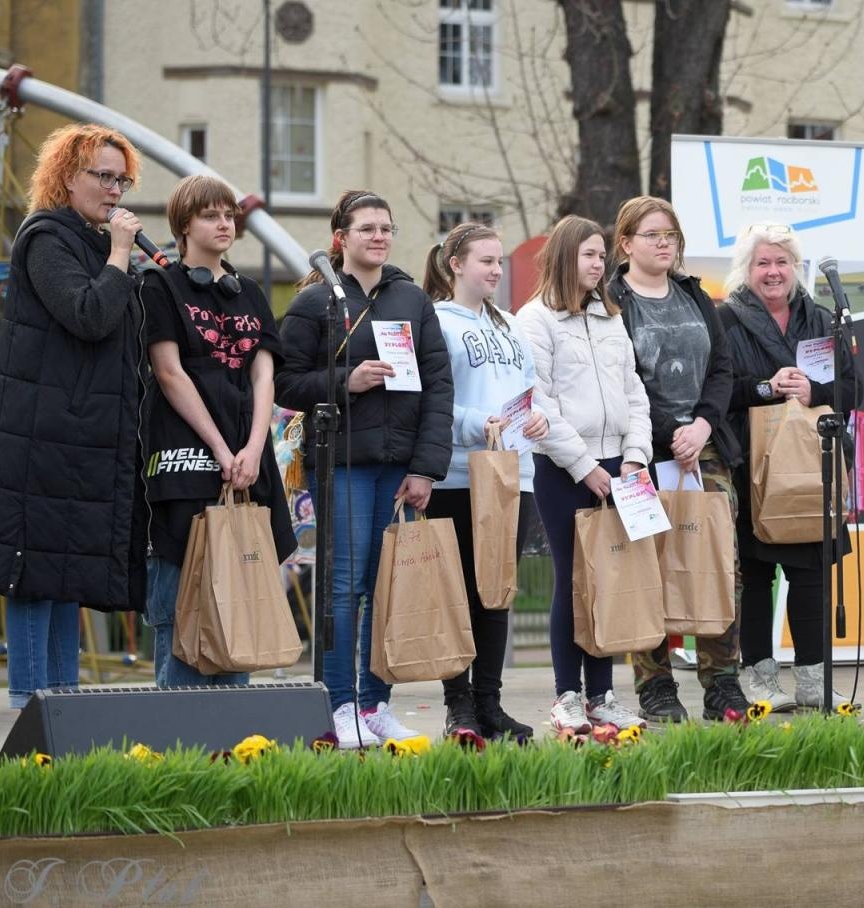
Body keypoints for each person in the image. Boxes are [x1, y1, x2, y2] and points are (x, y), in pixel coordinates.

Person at [0, 124, 149, 708]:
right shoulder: (46, 238)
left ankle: (65, 710)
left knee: (67, 574)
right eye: (103, 176)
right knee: (31, 573)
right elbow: (89, 314)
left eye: (122, 179)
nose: (115, 190)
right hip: (39, 435)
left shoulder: (94, 243)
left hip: (82, 437)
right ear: (68, 176)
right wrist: (121, 256)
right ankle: (28, 707)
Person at [277, 190, 453, 748]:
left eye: (386, 228)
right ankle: (339, 703)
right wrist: (343, 382)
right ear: (341, 238)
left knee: (386, 588)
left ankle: (376, 705)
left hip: (398, 467)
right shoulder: (316, 302)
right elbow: (285, 381)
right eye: (366, 228)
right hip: (345, 464)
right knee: (344, 586)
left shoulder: (412, 299)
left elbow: (437, 387)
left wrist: (426, 468)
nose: (378, 236)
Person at [139, 175, 296, 687]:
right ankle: (176, 747)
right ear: (184, 225)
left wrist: (252, 448)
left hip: (248, 462)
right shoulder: (157, 285)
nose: (225, 222)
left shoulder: (248, 290)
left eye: (229, 214)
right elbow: (169, 372)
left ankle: (235, 745)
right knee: (179, 604)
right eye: (211, 215)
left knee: (242, 601)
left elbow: (263, 374)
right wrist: (220, 447)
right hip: (186, 463)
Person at [606, 196, 750, 721]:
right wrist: (672, 433)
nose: (664, 243)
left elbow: (723, 369)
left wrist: (703, 425)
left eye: (671, 234)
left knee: (719, 563)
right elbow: (621, 382)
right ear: (625, 244)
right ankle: (656, 686)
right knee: (648, 566)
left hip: (705, 451)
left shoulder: (694, 294)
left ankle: (722, 680)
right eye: (652, 235)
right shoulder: (610, 301)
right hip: (641, 453)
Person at [518, 215, 651, 734]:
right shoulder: (535, 320)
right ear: (562, 256)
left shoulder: (611, 316)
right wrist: (585, 466)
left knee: (611, 580)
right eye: (588, 255)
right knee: (574, 582)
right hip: (564, 469)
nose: (598, 265)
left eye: (601, 256)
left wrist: (635, 455)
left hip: (622, 464)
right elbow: (539, 402)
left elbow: (633, 390)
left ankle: (603, 695)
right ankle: (568, 695)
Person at [720, 222, 861, 711]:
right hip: (749, 463)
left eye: (782, 262)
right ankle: (759, 675)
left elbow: (853, 387)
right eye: (763, 262)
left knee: (812, 575)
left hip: (812, 465)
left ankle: (811, 679)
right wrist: (767, 386)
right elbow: (718, 392)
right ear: (747, 269)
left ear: (796, 269)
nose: (773, 272)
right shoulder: (726, 320)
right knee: (757, 577)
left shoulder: (823, 320)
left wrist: (815, 393)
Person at [422, 222, 548, 741]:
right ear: (455, 264)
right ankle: (459, 706)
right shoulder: (435, 322)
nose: (496, 270)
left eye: (499, 262)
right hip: (456, 475)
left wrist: (536, 420)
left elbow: (530, 392)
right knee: (458, 594)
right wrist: (479, 423)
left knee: (496, 592)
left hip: (511, 474)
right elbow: (431, 401)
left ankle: (490, 703)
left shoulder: (512, 326)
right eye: (485, 261)